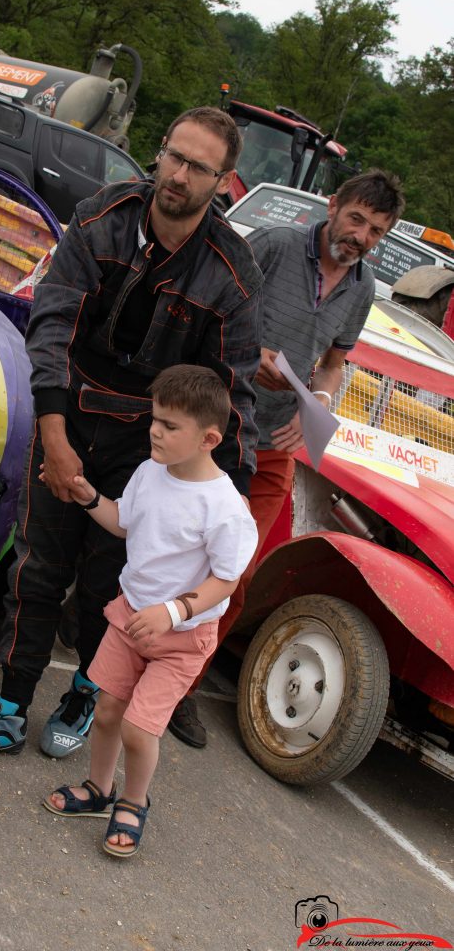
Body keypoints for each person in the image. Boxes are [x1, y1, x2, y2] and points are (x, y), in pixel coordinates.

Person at [0, 106, 263, 760]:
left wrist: (231, 495)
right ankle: (6, 710)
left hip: (150, 446)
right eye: (171, 155)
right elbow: (51, 321)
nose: (176, 174)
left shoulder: (231, 273)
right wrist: (52, 434)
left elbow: (232, 391)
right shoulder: (98, 216)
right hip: (72, 412)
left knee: (118, 584)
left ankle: (84, 694)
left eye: (197, 166)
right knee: (38, 569)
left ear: (223, 182)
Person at [169, 168, 407, 749]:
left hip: (273, 443)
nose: (361, 236)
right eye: (356, 219)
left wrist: (318, 404)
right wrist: (254, 353)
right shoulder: (275, 245)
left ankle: (179, 689)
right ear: (333, 206)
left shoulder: (364, 286)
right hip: (213, 424)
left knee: (238, 572)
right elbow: (208, 302)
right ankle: (106, 633)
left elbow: (333, 361)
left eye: (376, 230)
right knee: (165, 537)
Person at [42, 365, 258, 857]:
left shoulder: (226, 508)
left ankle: (134, 802)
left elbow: (226, 580)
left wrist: (174, 611)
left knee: (140, 728)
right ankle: (99, 790)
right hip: (130, 617)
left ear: (208, 438)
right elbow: (123, 523)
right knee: (108, 709)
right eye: (155, 420)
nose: (155, 431)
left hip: (181, 638)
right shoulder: (149, 473)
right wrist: (89, 497)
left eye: (169, 426)